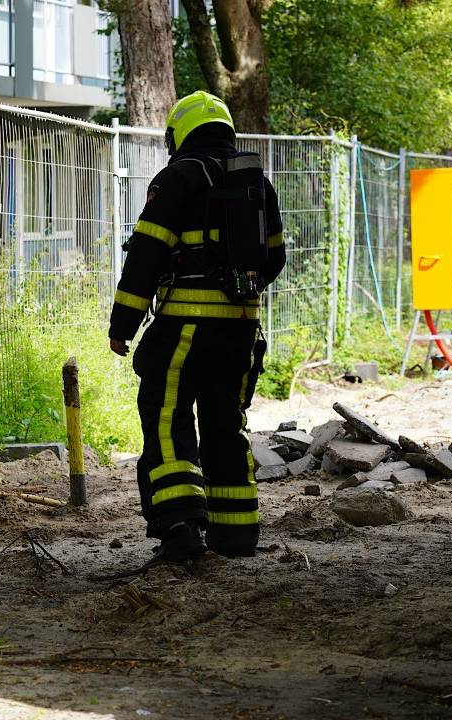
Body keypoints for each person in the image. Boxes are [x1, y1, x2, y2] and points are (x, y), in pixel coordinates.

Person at [109, 91, 285, 563]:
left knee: (166, 418)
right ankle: (237, 536)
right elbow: (276, 257)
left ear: (180, 133)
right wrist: (238, 293)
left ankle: (181, 528)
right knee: (226, 424)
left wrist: (122, 324)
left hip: (183, 329)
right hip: (241, 332)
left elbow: (146, 255)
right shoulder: (258, 185)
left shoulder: (177, 179)